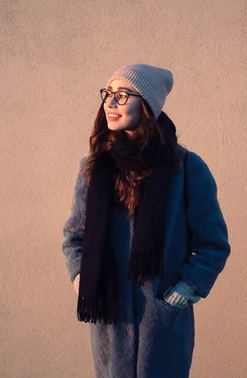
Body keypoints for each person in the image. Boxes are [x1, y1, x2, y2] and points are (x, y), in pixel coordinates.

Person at [61, 63, 230, 378]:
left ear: (148, 104)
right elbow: (74, 236)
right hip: (111, 322)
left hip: (162, 326)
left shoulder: (186, 168)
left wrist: (188, 287)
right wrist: (80, 276)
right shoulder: (94, 168)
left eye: (122, 95)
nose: (110, 104)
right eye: (108, 94)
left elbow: (213, 243)